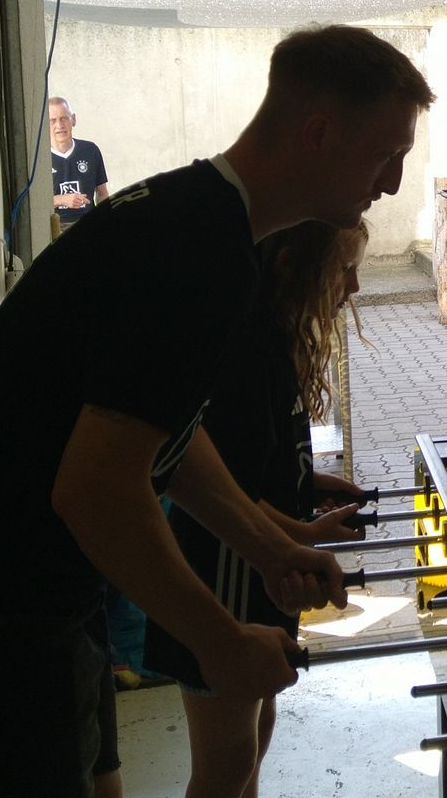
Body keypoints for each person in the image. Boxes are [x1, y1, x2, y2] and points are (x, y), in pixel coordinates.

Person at [0, 25, 434, 797]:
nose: (391, 183)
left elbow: (165, 437)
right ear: (319, 134)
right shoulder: (199, 256)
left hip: (31, 595)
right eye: (384, 155)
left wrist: (266, 546)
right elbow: (95, 490)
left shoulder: (203, 223)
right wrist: (218, 641)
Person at [145, 220, 371, 798]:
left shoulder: (276, 339)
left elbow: (259, 459)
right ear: (291, 267)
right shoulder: (247, 351)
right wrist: (301, 533)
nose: (353, 286)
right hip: (221, 573)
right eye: (342, 269)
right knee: (227, 761)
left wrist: (307, 482)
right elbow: (230, 497)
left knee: (260, 723)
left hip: (254, 574)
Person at [49, 96, 110, 228]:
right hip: (55, 227)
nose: (59, 126)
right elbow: (33, 203)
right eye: (53, 121)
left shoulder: (90, 150)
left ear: (73, 119)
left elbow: (102, 193)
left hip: (88, 223)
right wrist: (61, 200)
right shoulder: (41, 160)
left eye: (64, 118)